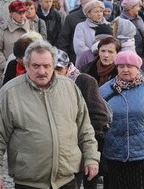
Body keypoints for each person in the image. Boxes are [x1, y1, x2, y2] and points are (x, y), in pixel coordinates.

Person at [0, 40, 100, 189]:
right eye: (36, 66)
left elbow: (85, 128)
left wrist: (91, 157)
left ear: (53, 65)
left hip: (66, 179)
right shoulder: (10, 93)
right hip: (29, 181)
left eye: (46, 66)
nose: (42, 71)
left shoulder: (69, 88)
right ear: (26, 65)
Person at [100, 50, 144, 188]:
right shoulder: (105, 90)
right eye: (121, 66)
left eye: (129, 66)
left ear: (137, 68)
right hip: (115, 150)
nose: (125, 69)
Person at [54, 48, 111, 189]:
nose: (54, 74)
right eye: (52, 68)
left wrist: (78, 132)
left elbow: (100, 116)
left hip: (80, 148)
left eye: (58, 69)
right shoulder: (45, 85)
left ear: (68, 68)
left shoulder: (84, 81)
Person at [0, 0, 31, 85]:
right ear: (11, 13)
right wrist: (6, 66)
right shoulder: (3, 28)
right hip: (10, 73)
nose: (22, 15)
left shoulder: (30, 26)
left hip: (29, 71)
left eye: (24, 12)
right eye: (19, 13)